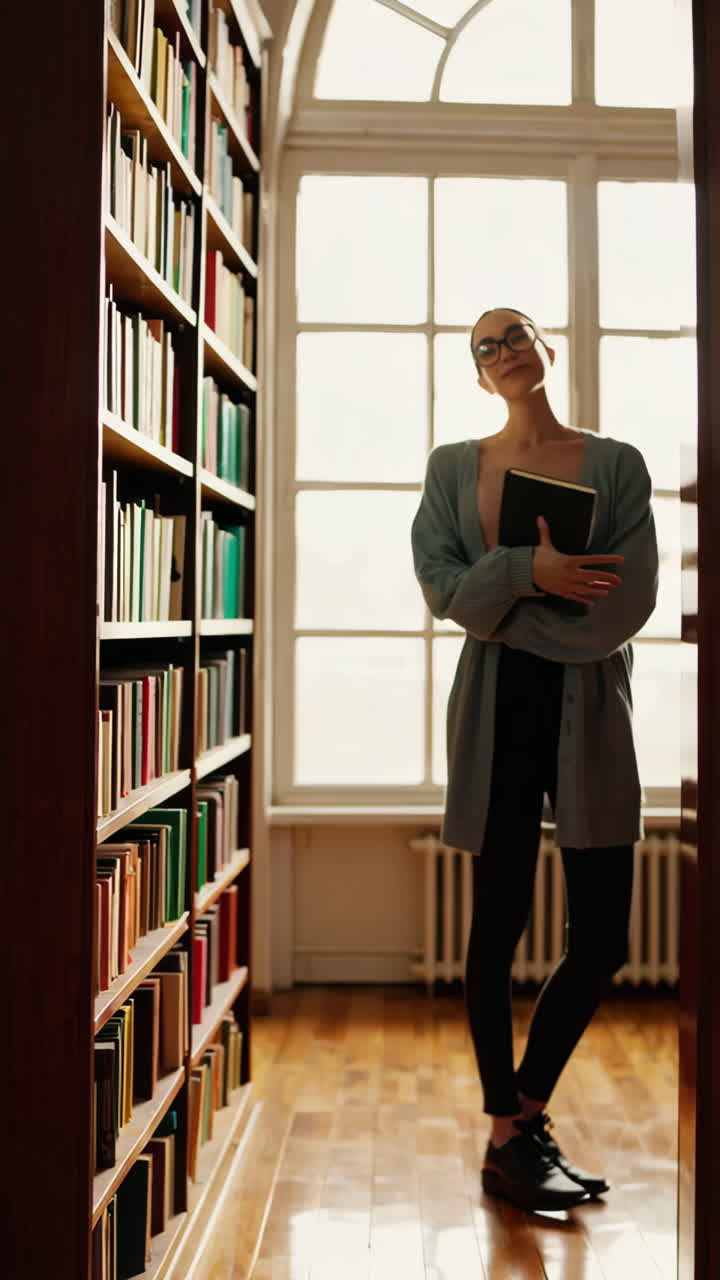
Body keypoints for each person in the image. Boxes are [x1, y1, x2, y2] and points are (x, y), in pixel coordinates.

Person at [410, 308, 659, 1213]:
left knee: (602, 938)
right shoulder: (452, 469)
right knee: (497, 921)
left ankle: (525, 1111)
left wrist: (515, 608)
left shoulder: (617, 462)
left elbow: (626, 601)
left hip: (593, 700)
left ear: (547, 351)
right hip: (494, 708)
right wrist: (529, 572)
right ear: (479, 379)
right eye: (483, 347)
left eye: (513, 334)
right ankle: (508, 1137)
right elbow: (444, 590)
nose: (501, 350)